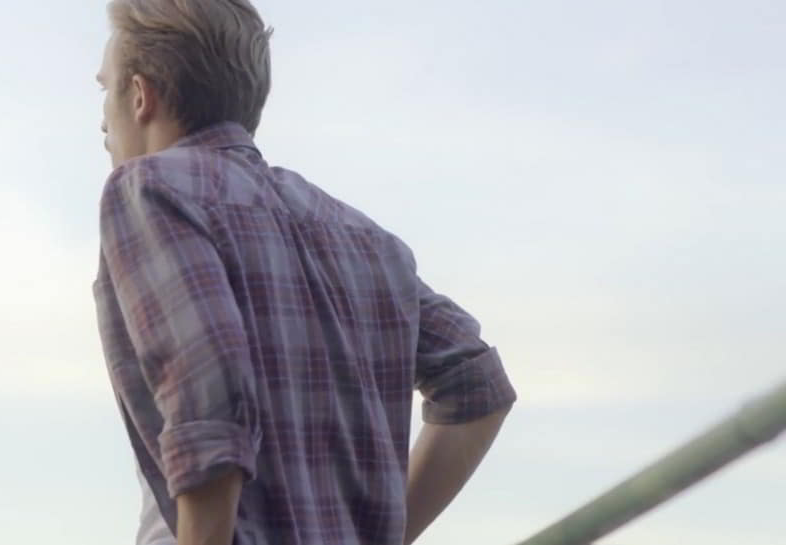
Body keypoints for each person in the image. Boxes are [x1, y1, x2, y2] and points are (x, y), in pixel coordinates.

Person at [91, 2, 518, 544]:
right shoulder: (364, 238)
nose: (102, 119)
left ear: (139, 95)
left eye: (104, 90)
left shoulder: (151, 189)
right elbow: (477, 384)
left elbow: (208, 402)